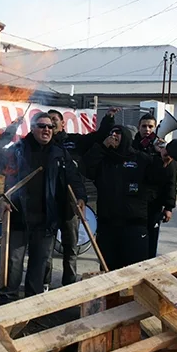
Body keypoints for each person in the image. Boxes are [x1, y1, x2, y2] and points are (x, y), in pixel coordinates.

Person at [0, 112, 86, 303]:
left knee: (39, 264)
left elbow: (74, 179)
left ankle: (32, 304)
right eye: (42, 126)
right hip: (18, 216)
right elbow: (0, 168)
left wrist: (80, 198)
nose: (46, 130)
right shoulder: (18, 149)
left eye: (50, 127)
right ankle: (7, 301)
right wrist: (2, 199)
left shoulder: (59, 154)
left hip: (47, 219)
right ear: (33, 128)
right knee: (13, 263)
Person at [43, 107, 118, 287]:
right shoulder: (43, 145)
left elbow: (99, 135)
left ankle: (69, 283)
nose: (52, 122)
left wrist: (108, 119)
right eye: (49, 119)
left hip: (71, 202)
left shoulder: (75, 141)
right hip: (50, 203)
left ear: (62, 123)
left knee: (71, 246)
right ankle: (44, 282)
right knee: (46, 248)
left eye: (55, 119)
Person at [84, 124, 167, 270]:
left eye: (118, 133)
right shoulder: (104, 159)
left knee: (134, 269)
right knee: (109, 269)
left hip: (134, 224)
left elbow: (159, 178)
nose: (114, 136)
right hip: (107, 225)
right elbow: (85, 169)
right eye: (111, 133)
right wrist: (101, 147)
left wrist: (163, 158)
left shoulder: (140, 158)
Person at [132, 113, 177, 258]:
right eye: (144, 126)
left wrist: (169, 206)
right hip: (134, 200)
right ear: (138, 127)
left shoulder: (162, 149)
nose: (147, 129)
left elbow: (171, 179)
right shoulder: (132, 146)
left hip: (154, 203)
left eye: (150, 126)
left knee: (151, 238)